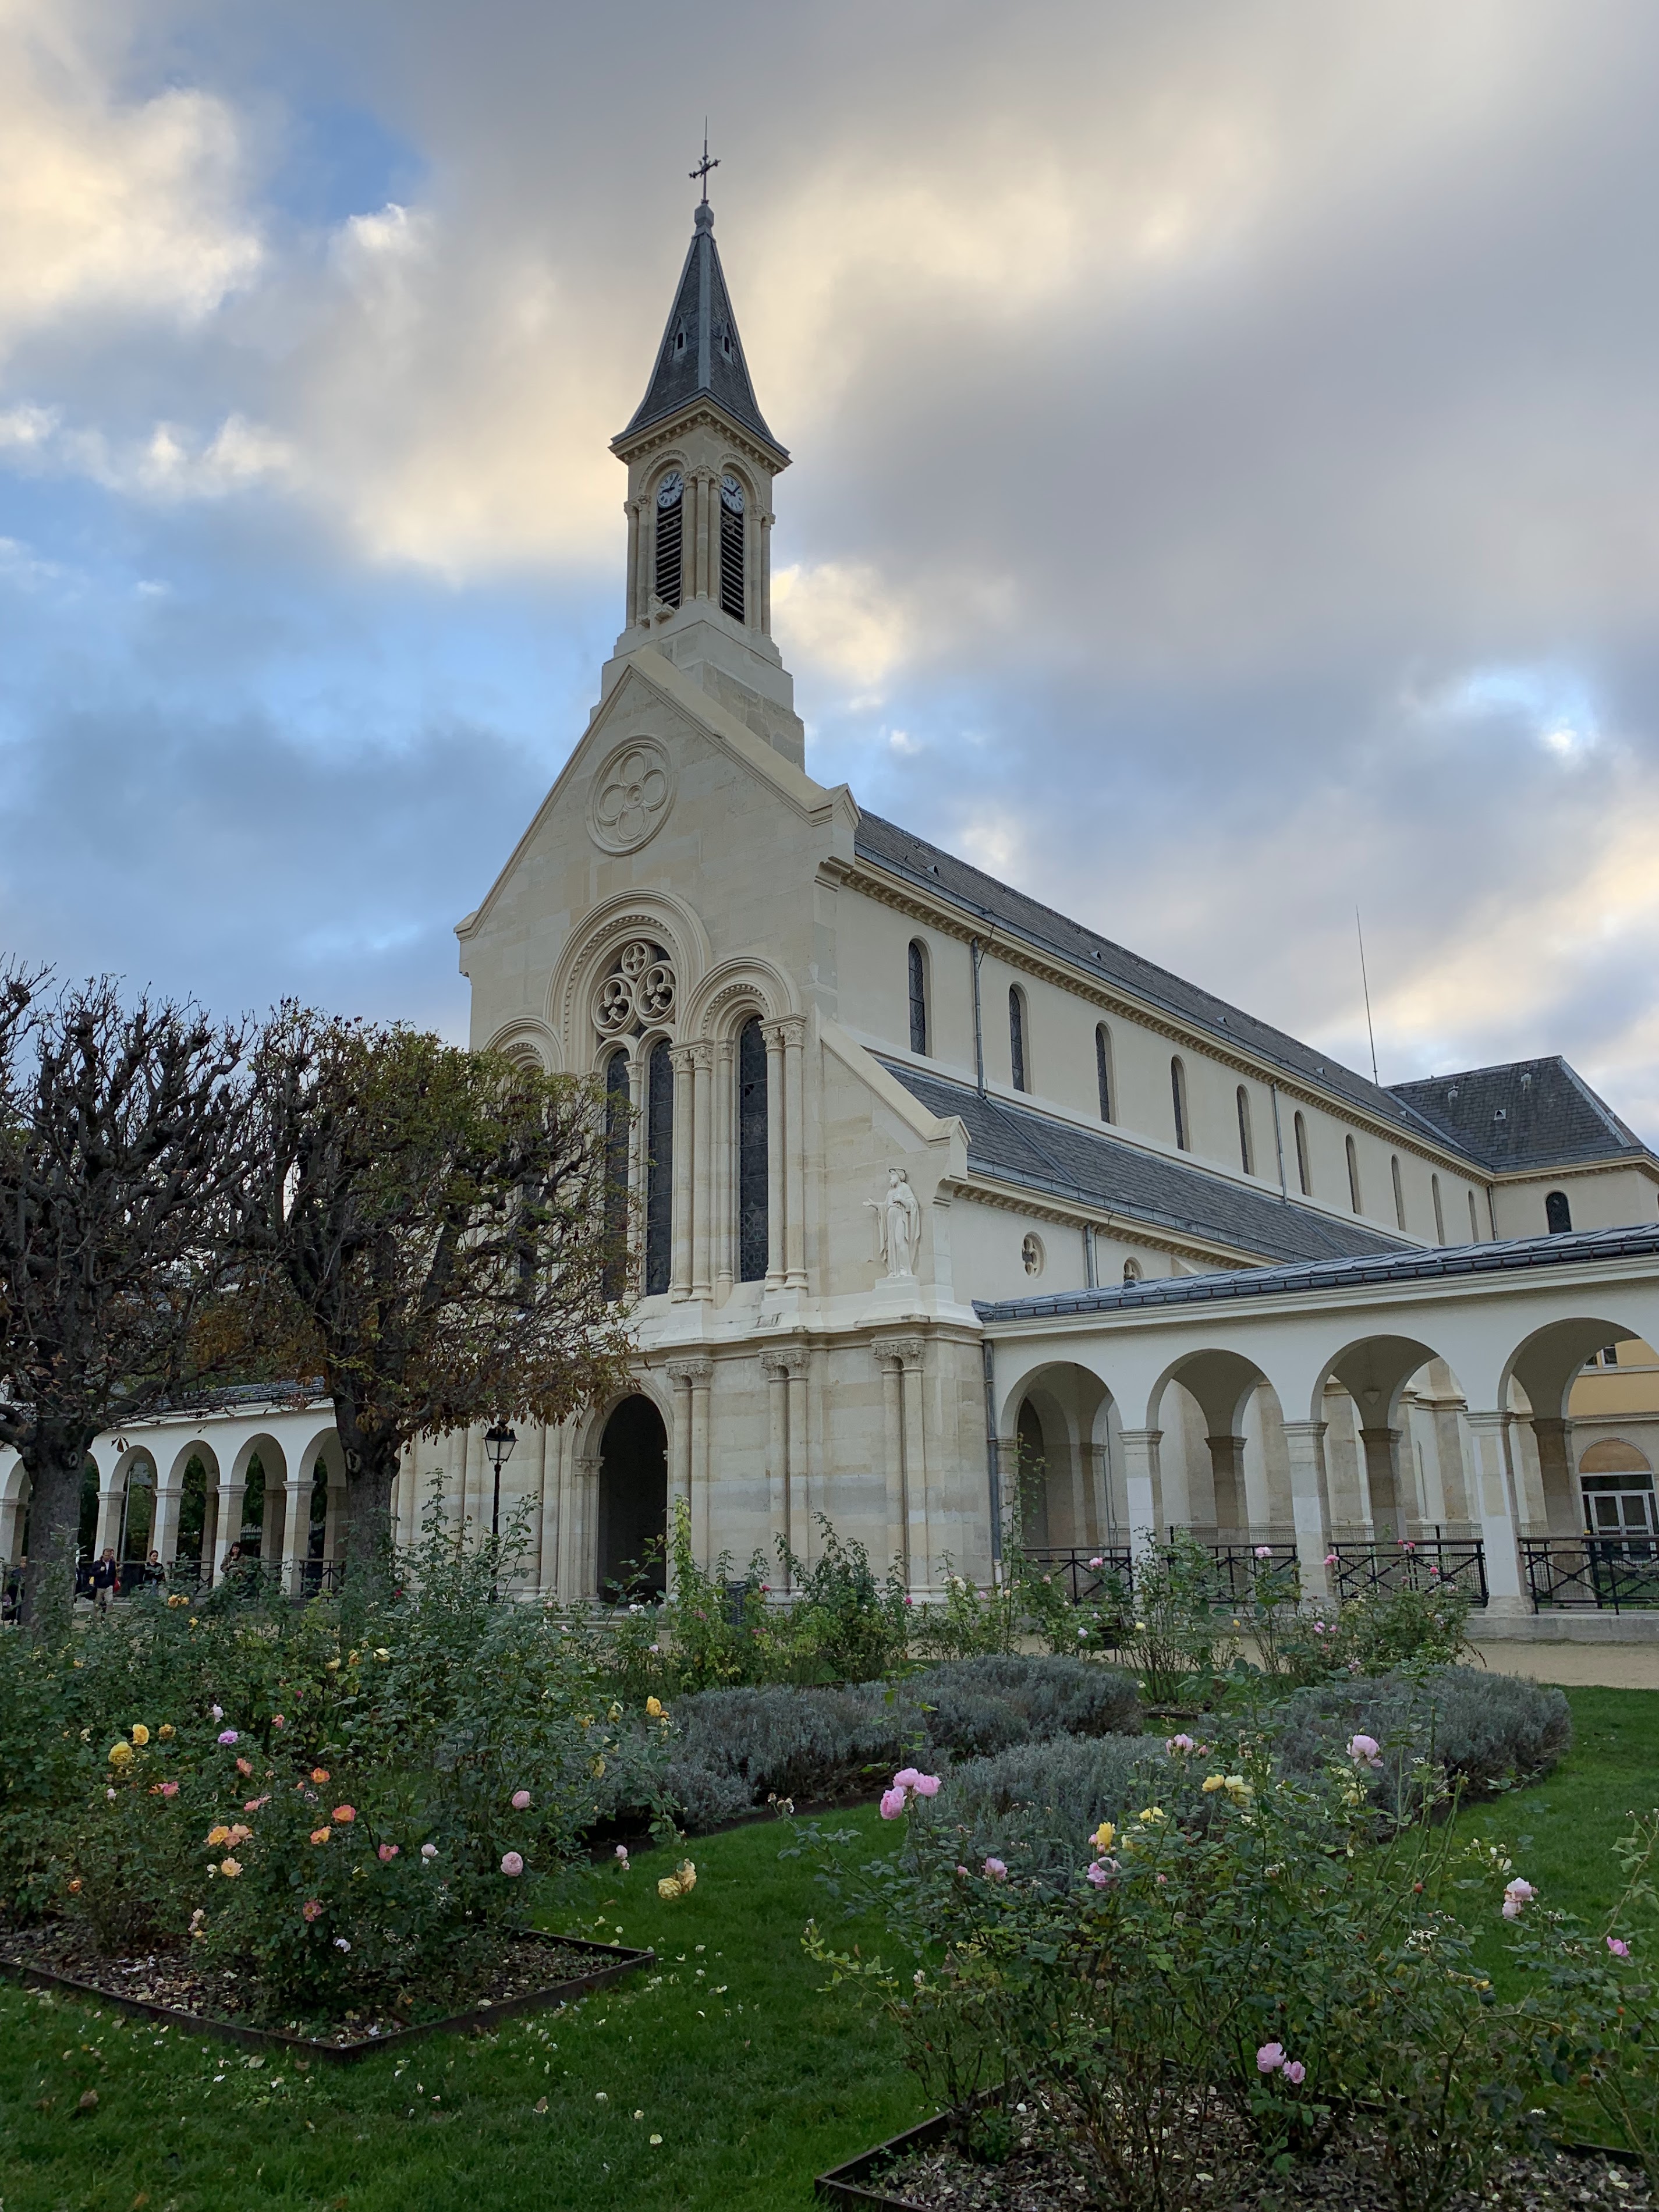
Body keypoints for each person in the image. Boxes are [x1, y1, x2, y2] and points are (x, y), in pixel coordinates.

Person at [90, 1547, 121, 1613]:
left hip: (109, 1586)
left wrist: (112, 1584)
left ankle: (107, 1619)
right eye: (106, 1555)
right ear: (103, 1555)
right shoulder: (97, 1563)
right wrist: (99, 1571)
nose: (107, 1557)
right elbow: (92, 1573)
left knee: (110, 1602)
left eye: (108, 1556)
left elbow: (113, 1574)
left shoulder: (112, 1564)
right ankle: (93, 1618)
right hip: (99, 1586)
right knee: (97, 1603)